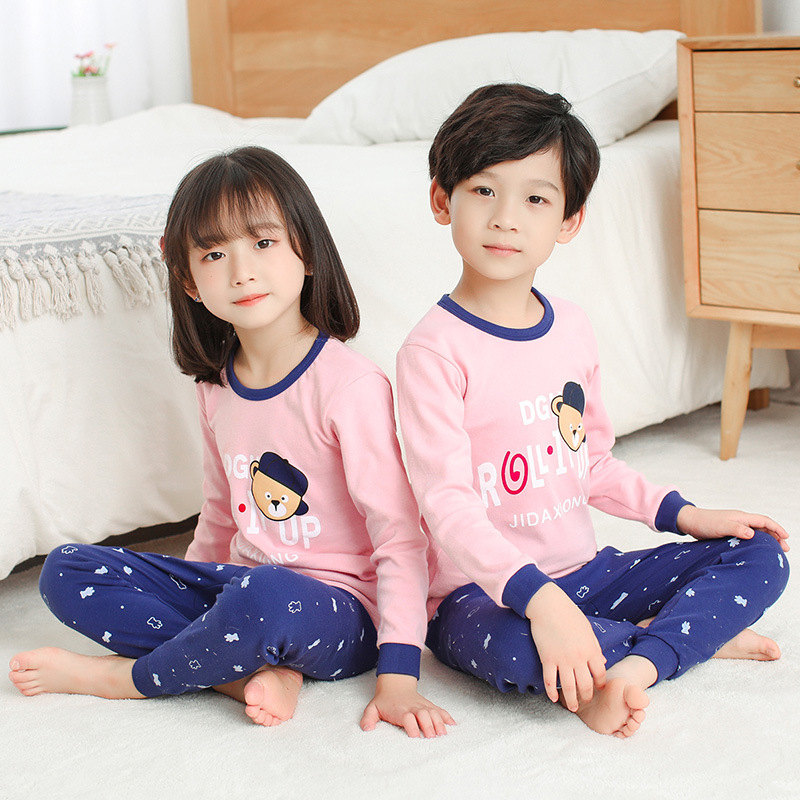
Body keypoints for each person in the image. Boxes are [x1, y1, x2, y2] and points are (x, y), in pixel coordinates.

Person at [9, 146, 453, 738]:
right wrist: (191, 594)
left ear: (307, 252)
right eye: (214, 254)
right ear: (189, 282)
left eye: (263, 243)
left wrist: (399, 673)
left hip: (342, 613)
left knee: (265, 593)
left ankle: (125, 678)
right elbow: (221, 514)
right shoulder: (215, 388)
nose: (241, 271)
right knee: (67, 569)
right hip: (242, 589)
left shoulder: (350, 386)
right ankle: (237, 673)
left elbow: (400, 536)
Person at [395, 84, 790, 738]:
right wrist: (541, 602)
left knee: (761, 554)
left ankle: (639, 653)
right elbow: (448, 507)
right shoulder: (432, 351)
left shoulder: (572, 328)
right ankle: (681, 638)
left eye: (536, 199)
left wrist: (687, 515)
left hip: (588, 573)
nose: (506, 218)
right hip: (480, 595)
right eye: (484, 190)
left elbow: (593, 463)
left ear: (569, 221)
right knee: (509, 649)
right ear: (443, 199)